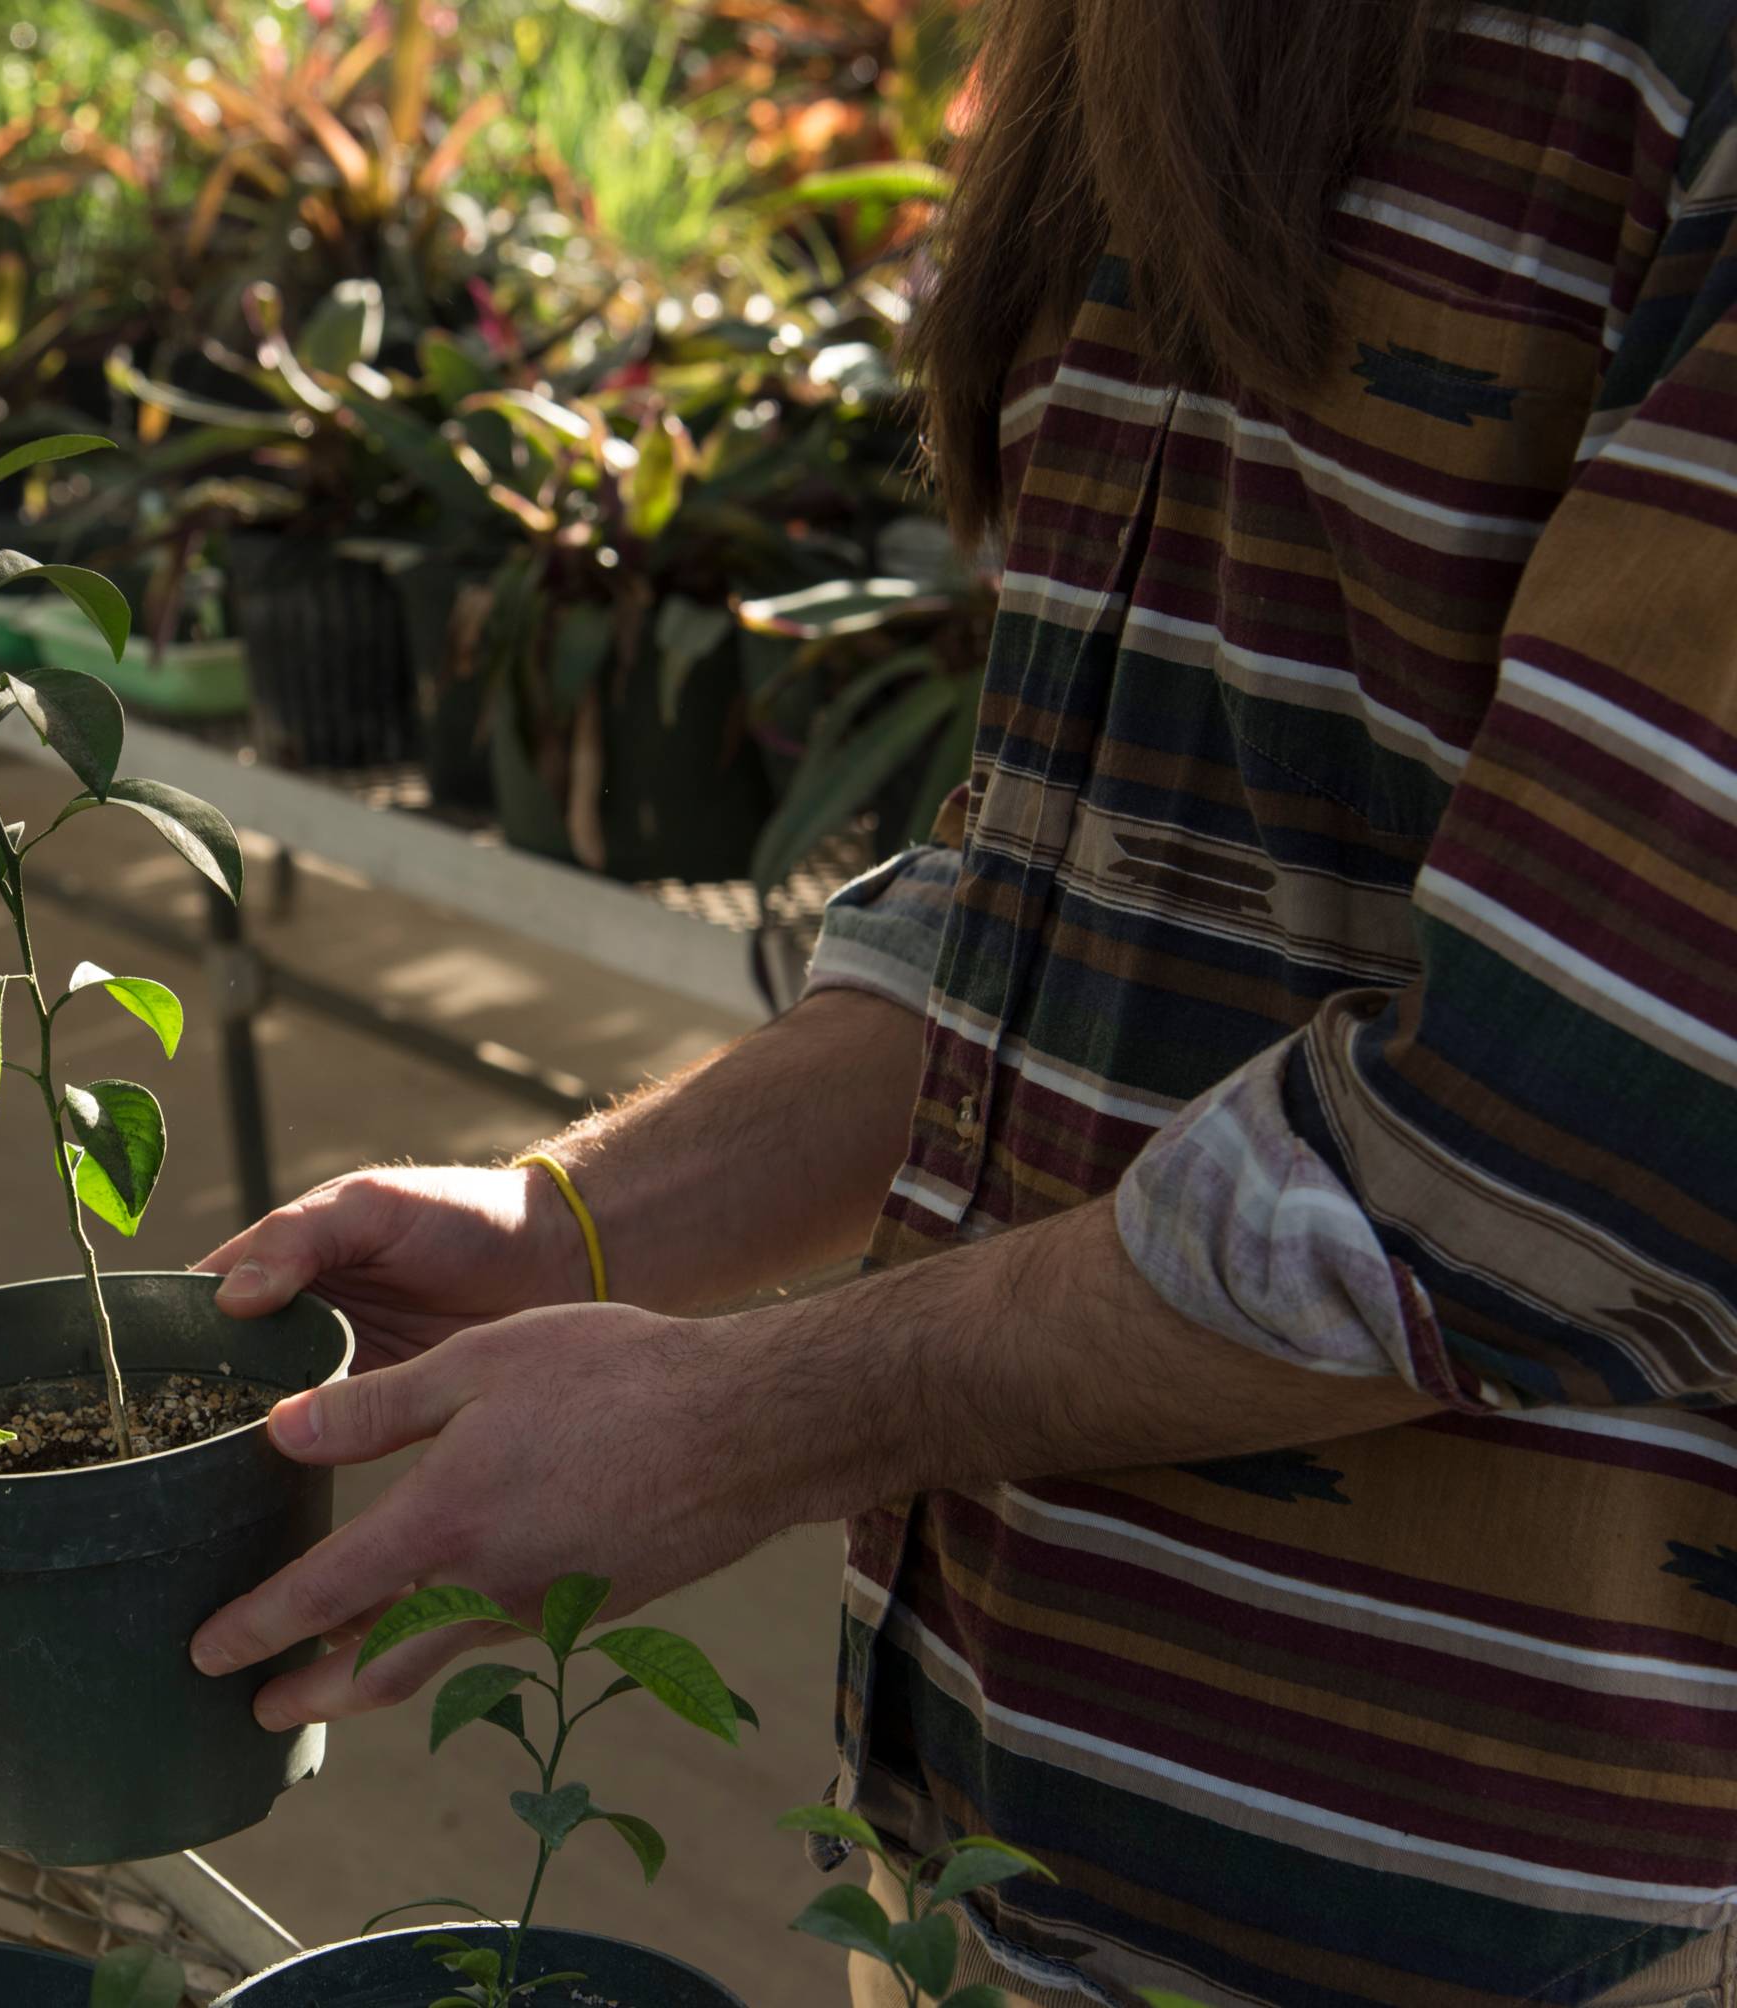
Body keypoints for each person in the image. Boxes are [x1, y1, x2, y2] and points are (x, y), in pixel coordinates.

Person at [189, 1, 1737, 2001]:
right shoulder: (1166, 54)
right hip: (970, 1855)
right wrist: (572, 1219)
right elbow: (1061, 890)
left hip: (1431, 1915)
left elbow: (1559, 1150)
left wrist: (740, 1420)